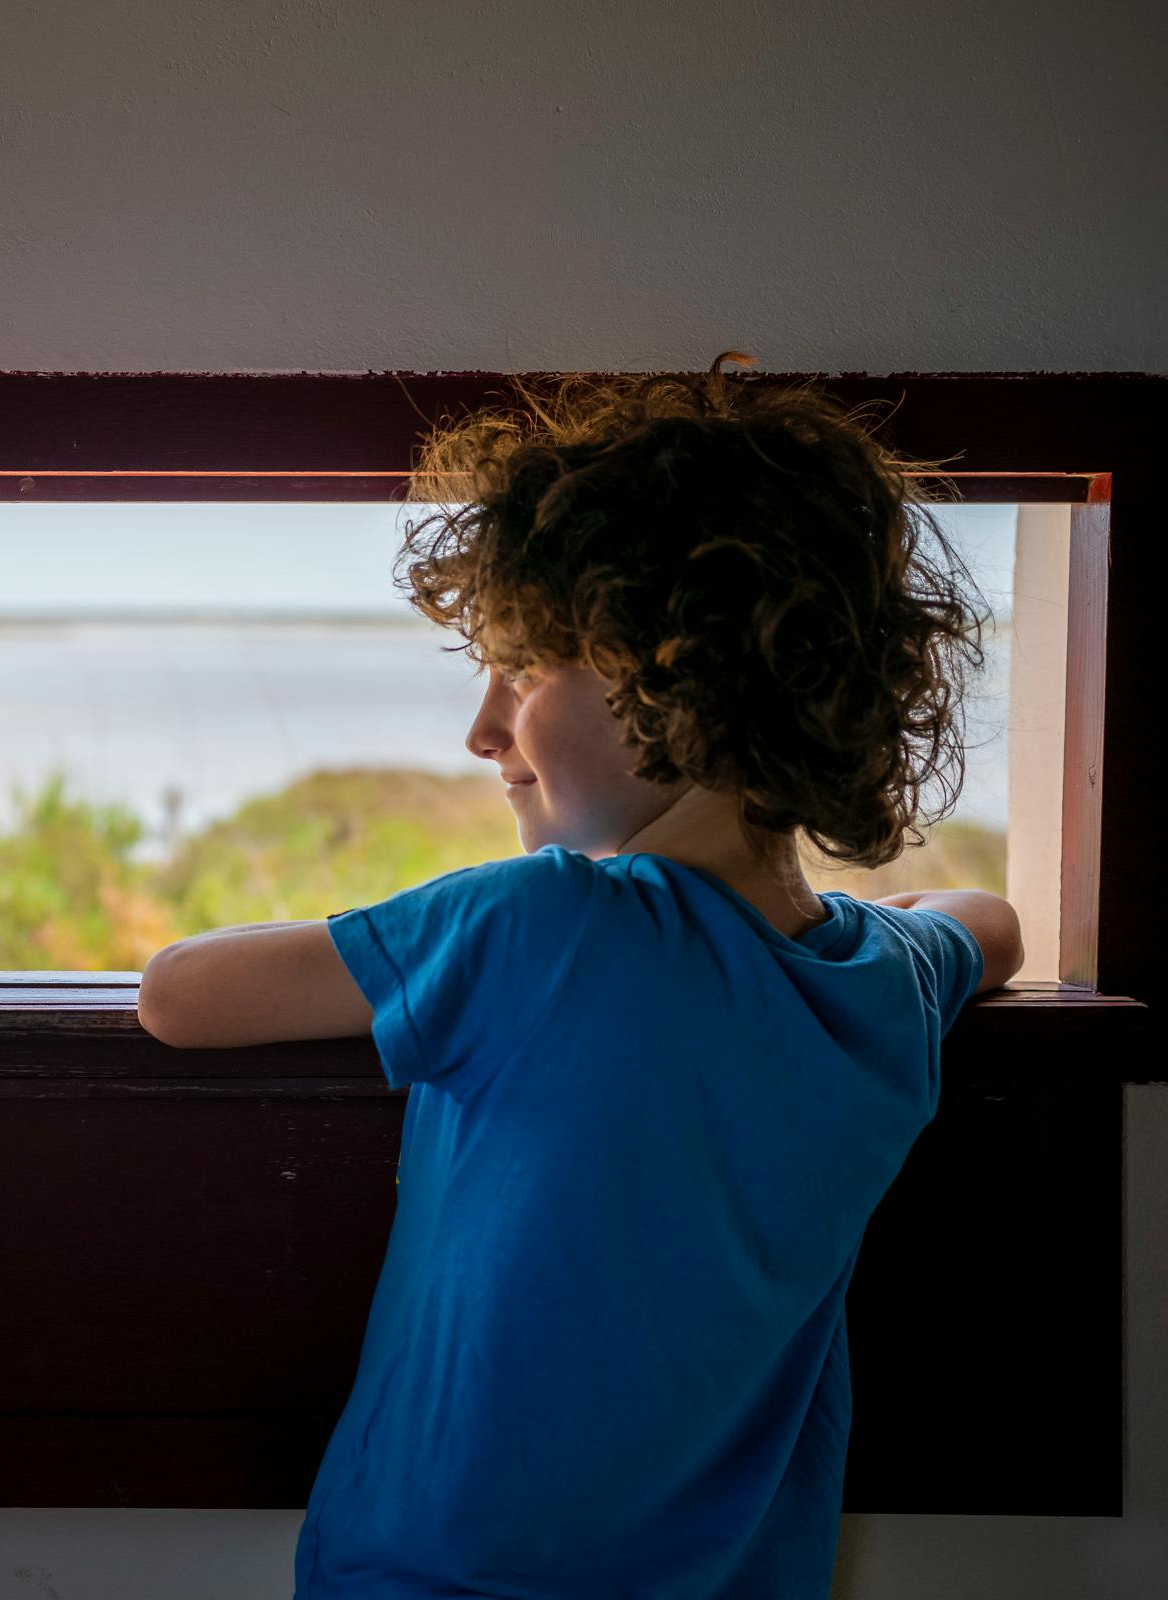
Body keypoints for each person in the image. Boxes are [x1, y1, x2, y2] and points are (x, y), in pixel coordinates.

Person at [137, 358, 1023, 1599]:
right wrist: (882, 920)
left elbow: (176, 993)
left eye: (525, 667)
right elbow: (985, 924)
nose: (483, 727)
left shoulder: (540, 925)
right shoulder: (885, 983)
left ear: (690, 680)